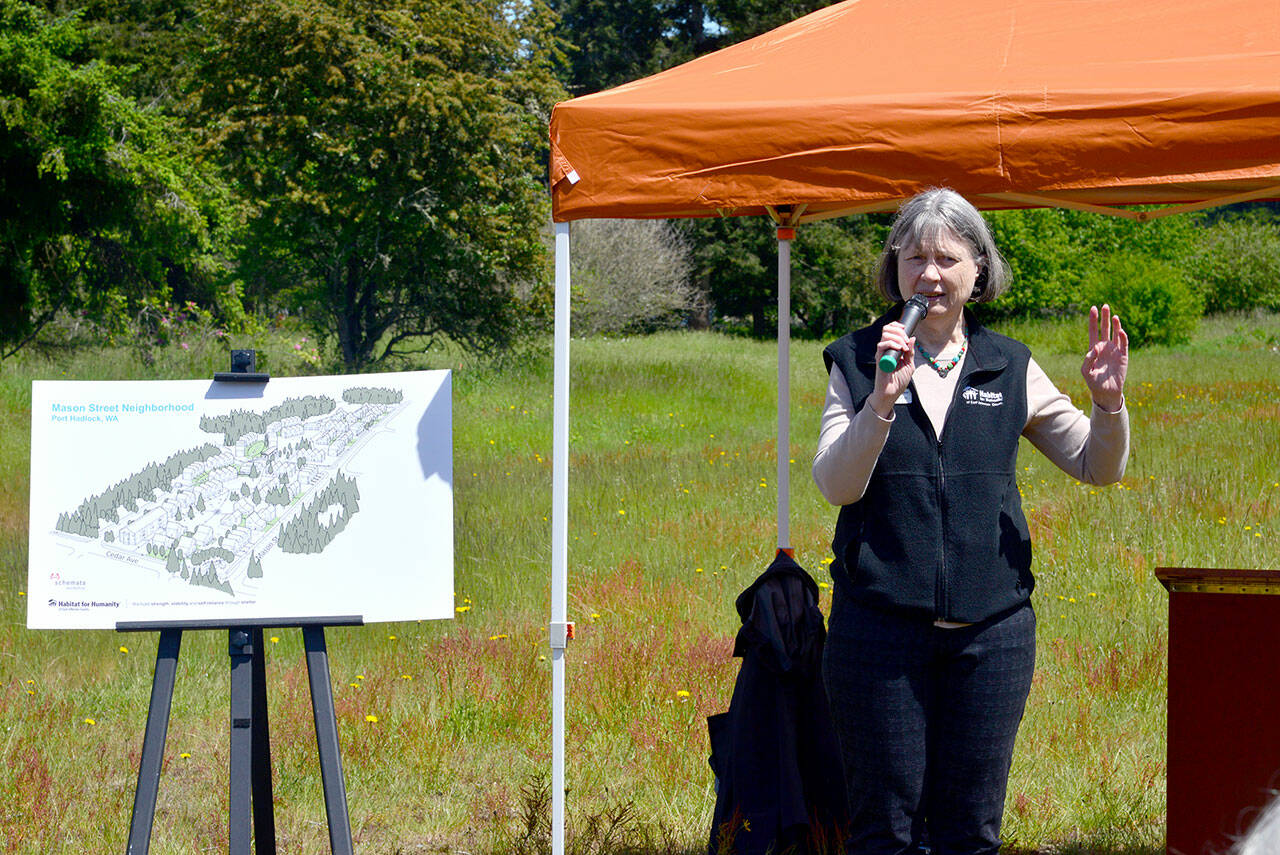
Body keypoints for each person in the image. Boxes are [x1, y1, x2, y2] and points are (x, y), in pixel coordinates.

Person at [811, 188, 1130, 855]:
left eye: (947, 257)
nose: (928, 273)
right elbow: (836, 483)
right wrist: (879, 404)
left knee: (970, 832)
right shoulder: (855, 358)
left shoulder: (1009, 364)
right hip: (879, 636)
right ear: (894, 266)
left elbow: (1097, 466)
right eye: (914, 256)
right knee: (883, 833)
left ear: (978, 270)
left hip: (993, 636)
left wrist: (1108, 404)